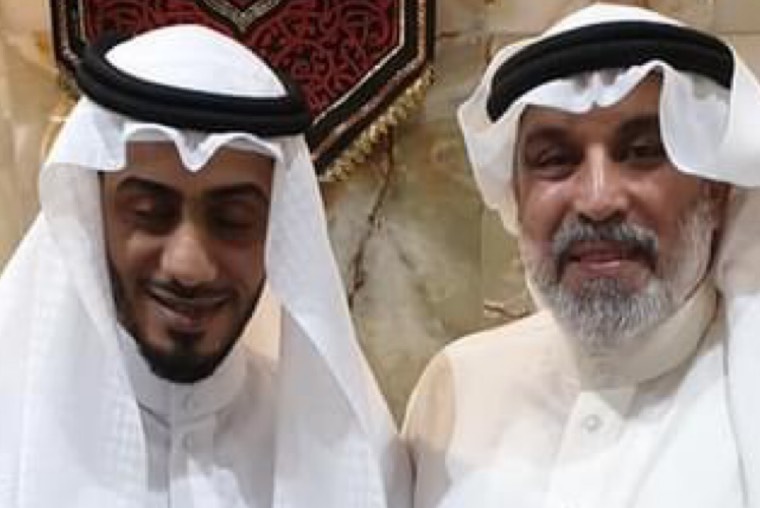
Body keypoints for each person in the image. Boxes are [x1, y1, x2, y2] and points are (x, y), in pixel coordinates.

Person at [0, 25, 410, 507]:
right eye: (149, 213)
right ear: (93, 213)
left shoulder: (357, 459)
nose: (189, 266)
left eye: (233, 220)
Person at [403, 4, 760, 507]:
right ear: (516, 195)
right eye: (554, 159)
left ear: (715, 190)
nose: (597, 199)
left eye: (642, 152)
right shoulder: (460, 385)